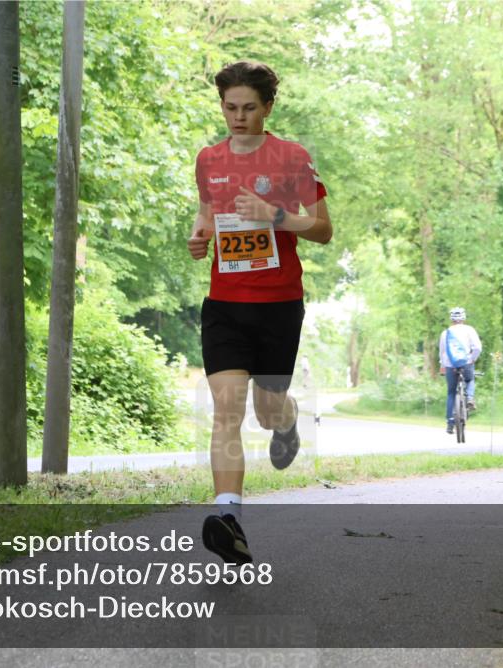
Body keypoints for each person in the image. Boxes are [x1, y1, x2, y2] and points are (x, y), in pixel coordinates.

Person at [188, 61, 332, 564]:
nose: (238, 116)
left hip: (277, 305)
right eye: (230, 107)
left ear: (267, 107)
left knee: (266, 409)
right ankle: (229, 518)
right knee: (226, 412)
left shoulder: (291, 157)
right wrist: (200, 236)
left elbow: (322, 228)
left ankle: (287, 419)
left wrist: (274, 215)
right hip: (225, 304)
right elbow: (207, 212)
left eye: (249, 107)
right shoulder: (208, 159)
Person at [438, 307, 482, 434]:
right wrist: (472, 359)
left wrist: (442, 365)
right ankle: (470, 398)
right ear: (464, 318)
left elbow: (442, 351)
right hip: (466, 363)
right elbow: (477, 347)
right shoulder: (469, 330)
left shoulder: (445, 333)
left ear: (451, 319)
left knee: (451, 392)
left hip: (450, 365)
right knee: (470, 379)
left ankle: (450, 423)